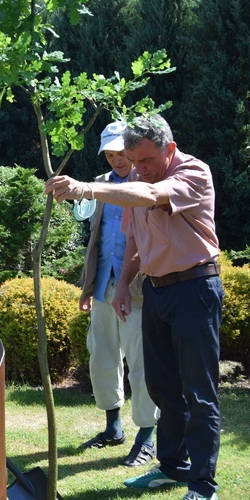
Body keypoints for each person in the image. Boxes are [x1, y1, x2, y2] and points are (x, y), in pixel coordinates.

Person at [45, 114, 223, 500]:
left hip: (195, 288)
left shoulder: (193, 172)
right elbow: (135, 242)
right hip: (155, 291)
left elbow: (151, 197)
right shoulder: (138, 181)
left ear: (169, 149)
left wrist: (86, 189)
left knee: (199, 391)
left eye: (145, 162)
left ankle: (202, 485)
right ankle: (173, 467)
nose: (139, 171)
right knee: (162, 387)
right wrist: (123, 284)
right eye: (134, 162)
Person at [78, 122, 159, 467]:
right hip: (102, 287)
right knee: (102, 357)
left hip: (139, 289)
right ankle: (113, 428)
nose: (115, 159)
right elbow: (94, 241)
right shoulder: (97, 186)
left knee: (141, 364)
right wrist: (87, 287)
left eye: (120, 152)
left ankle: (147, 437)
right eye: (109, 154)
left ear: (132, 150)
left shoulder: (148, 184)